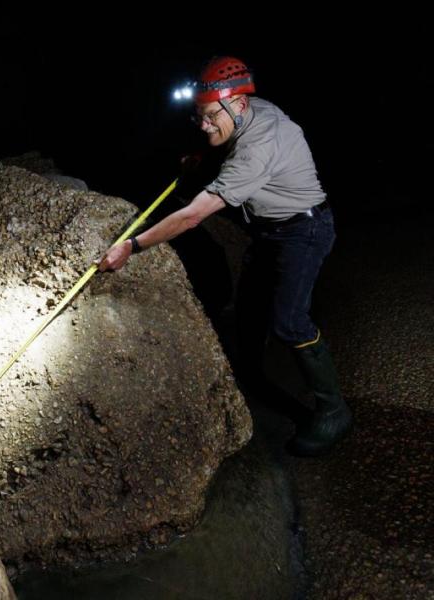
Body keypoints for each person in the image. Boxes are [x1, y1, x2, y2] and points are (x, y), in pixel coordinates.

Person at [96, 56, 353, 457]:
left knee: (289, 321)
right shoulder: (252, 113)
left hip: (304, 231)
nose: (202, 126)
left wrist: (131, 246)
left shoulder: (257, 147)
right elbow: (231, 142)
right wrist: (208, 155)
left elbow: (194, 214)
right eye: (198, 117)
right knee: (251, 306)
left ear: (240, 104)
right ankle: (250, 377)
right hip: (270, 229)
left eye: (211, 116)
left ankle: (334, 411)